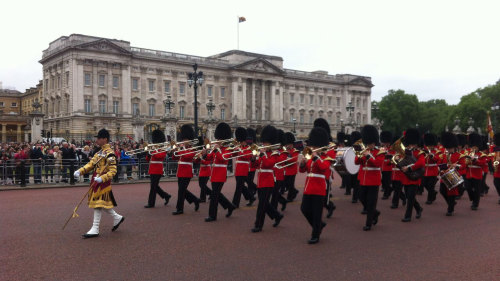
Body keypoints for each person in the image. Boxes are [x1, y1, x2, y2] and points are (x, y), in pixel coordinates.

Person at [73, 129, 125, 239]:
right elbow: (91, 164)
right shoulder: (99, 152)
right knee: (101, 204)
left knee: (98, 204)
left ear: (105, 139)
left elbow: (113, 171)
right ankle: (117, 217)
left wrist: (102, 178)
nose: (97, 140)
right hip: (95, 180)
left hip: (103, 182)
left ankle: (95, 228)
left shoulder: (110, 154)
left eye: (99, 138)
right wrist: (80, 171)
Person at [299, 127, 330, 244]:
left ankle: (315, 234)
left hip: (319, 187)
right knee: (304, 209)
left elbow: (323, 168)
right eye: (312, 146)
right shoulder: (311, 157)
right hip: (308, 186)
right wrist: (302, 164)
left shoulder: (326, 157)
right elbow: (303, 171)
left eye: (315, 146)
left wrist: (316, 157)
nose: (313, 148)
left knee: (317, 213)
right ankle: (319, 226)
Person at [251, 125, 284, 233]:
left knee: (261, 205)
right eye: (263, 142)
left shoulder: (274, 154)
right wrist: (254, 158)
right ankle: (277, 215)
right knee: (264, 203)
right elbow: (257, 165)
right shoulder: (264, 153)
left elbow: (268, 164)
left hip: (268, 181)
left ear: (271, 143)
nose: (263, 144)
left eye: (266, 143)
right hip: (261, 180)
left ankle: (258, 225)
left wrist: (263, 154)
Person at [203, 123, 236, 222]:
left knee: (214, 196)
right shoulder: (217, 149)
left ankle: (212, 216)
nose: (217, 141)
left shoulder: (227, 149)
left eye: (219, 139)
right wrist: (205, 153)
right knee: (216, 194)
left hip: (221, 174)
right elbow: (209, 158)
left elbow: (223, 158)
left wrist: (217, 150)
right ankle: (230, 206)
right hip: (214, 174)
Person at [355, 125, 385, 231]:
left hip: (374, 180)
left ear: (374, 142)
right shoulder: (365, 150)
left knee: (371, 202)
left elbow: (378, 164)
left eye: (370, 143)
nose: (369, 145)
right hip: (363, 178)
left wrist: (368, 156)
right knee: (361, 197)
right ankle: (375, 213)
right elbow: (356, 162)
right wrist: (359, 155)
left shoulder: (380, 152)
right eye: (367, 143)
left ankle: (368, 223)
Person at [170, 125, 201, 215]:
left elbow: (187, 156)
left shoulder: (192, 149)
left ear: (189, 140)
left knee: (181, 191)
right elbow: (175, 158)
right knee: (182, 190)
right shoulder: (181, 148)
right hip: (180, 171)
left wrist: (180, 149)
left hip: (187, 172)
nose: (184, 141)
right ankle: (195, 200)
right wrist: (174, 151)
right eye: (183, 139)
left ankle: (180, 209)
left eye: (185, 139)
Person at [400, 128, 425, 222]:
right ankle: (418, 208)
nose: (411, 145)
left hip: (415, 177)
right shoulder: (405, 152)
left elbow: (421, 163)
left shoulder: (419, 152)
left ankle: (408, 216)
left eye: (413, 143)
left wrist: (410, 168)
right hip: (406, 177)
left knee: (410, 197)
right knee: (408, 196)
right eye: (410, 143)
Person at [144, 130, 171, 208]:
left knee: (153, 187)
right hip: (152, 168)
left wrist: (153, 151)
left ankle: (151, 203)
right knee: (155, 186)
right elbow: (148, 159)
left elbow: (160, 156)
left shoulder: (164, 148)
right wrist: (148, 154)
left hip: (158, 169)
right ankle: (166, 196)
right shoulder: (153, 148)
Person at [231, 127, 255, 208]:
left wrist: (240, 151)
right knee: (241, 186)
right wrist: (234, 150)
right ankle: (251, 197)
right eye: (240, 141)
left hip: (243, 169)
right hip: (238, 169)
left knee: (238, 187)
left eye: (242, 141)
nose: (241, 143)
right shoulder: (239, 147)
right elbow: (233, 155)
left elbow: (246, 156)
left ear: (245, 141)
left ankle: (235, 203)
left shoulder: (249, 148)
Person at [438, 132, 461, 216]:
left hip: (453, 176)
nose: (448, 150)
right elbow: (439, 164)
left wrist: (457, 166)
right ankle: (451, 203)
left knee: (451, 193)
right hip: (444, 176)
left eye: (449, 148)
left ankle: (450, 209)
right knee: (442, 191)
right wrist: (445, 166)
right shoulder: (443, 155)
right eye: (447, 148)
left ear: (454, 147)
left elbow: (463, 165)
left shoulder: (459, 155)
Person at [464, 133, 487, 210]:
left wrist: (476, 160)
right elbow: (465, 163)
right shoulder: (467, 153)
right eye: (473, 146)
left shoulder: (482, 154)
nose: (474, 148)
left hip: (477, 174)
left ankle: (475, 204)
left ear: (478, 146)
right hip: (468, 174)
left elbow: (483, 163)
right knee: (468, 187)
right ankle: (473, 199)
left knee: (477, 190)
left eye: (475, 147)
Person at [422, 133, 440, 204]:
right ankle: (433, 193)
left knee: (430, 185)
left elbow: (437, 159)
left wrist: (432, 156)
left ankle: (429, 199)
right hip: (425, 170)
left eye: (431, 145)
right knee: (424, 184)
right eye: (428, 145)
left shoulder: (437, 151)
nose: (430, 147)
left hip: (433, 170)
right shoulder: (425, 151)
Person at [282, 132, 300, 202]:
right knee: (286, 184)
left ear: (292, 144)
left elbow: (294, 159)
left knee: (290, 184)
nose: (287, 146)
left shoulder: (295, 151)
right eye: (286, 144)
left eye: (288, 144)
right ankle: (294, 191)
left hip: (292, 170)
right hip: (286, 170)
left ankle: (290, 197)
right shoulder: (286, 150)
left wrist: (285, 159)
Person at [380, 131, 393, 200]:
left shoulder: (392, 148)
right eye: (384, 142)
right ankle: (389, 190)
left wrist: (389, 156)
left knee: (387, 182)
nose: (385, 144)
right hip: (383, 167)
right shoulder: (382, 149)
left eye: (386, 142)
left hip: (389, 167)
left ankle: (386, 194)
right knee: (384, 182)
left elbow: (394, 156)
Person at [246, 128, 258, 196]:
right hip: (246, 167)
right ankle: (256, 189)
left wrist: (253, 156)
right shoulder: (245, 146)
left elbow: (255, 156)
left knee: (250, 182)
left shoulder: (255, 147)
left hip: (252, 167)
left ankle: (250, 196)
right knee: (248, 181)